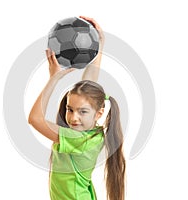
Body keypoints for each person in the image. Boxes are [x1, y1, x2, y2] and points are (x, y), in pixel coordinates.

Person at [28, 16, 126, 200]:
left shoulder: (78, 139)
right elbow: (89, 88)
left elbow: (35, 119)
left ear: (99, 113)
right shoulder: (94, 134)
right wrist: (99, 48)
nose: (74, 118)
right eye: (69, 109)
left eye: (83, 112)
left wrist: (54, 78)